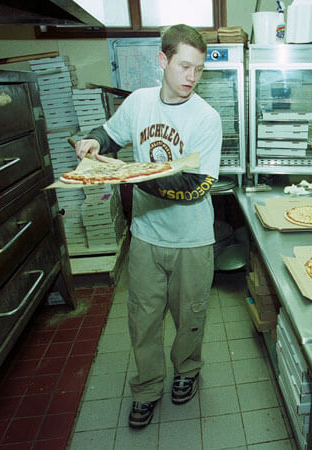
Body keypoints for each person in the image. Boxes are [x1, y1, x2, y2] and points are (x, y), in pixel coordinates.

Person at [74, 24, 221, 429]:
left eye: (199, 69)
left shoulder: (206, 118)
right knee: (143, 320)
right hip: (145, 238)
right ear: (163, 61)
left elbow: (195, 186)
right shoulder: (139, 103)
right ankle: (147, 388)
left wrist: (133, 175)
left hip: (192, 240)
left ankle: (187, 371)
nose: (192, 77)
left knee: (190, 316)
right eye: (184, 66)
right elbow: (109, 135)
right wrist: (92, 141)